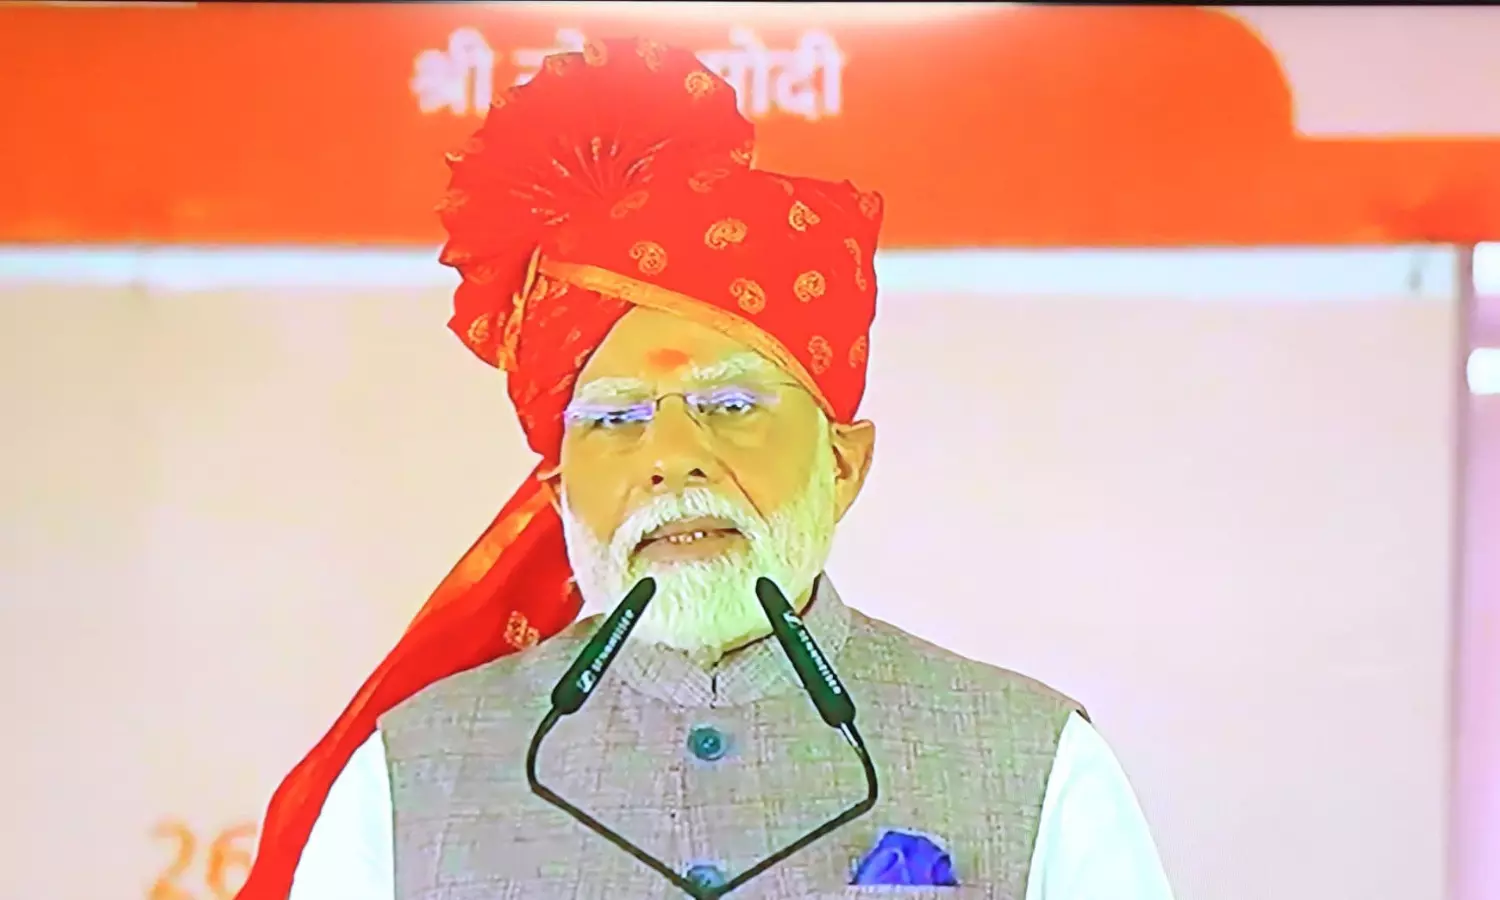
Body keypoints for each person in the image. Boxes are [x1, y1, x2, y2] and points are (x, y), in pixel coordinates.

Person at [240, 38, 1174, 900]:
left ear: (843, 465)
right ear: (560, 495)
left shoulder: (1031, 760)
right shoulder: (408, 779)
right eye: (617, 420)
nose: (672, 458)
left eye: (730, 406)